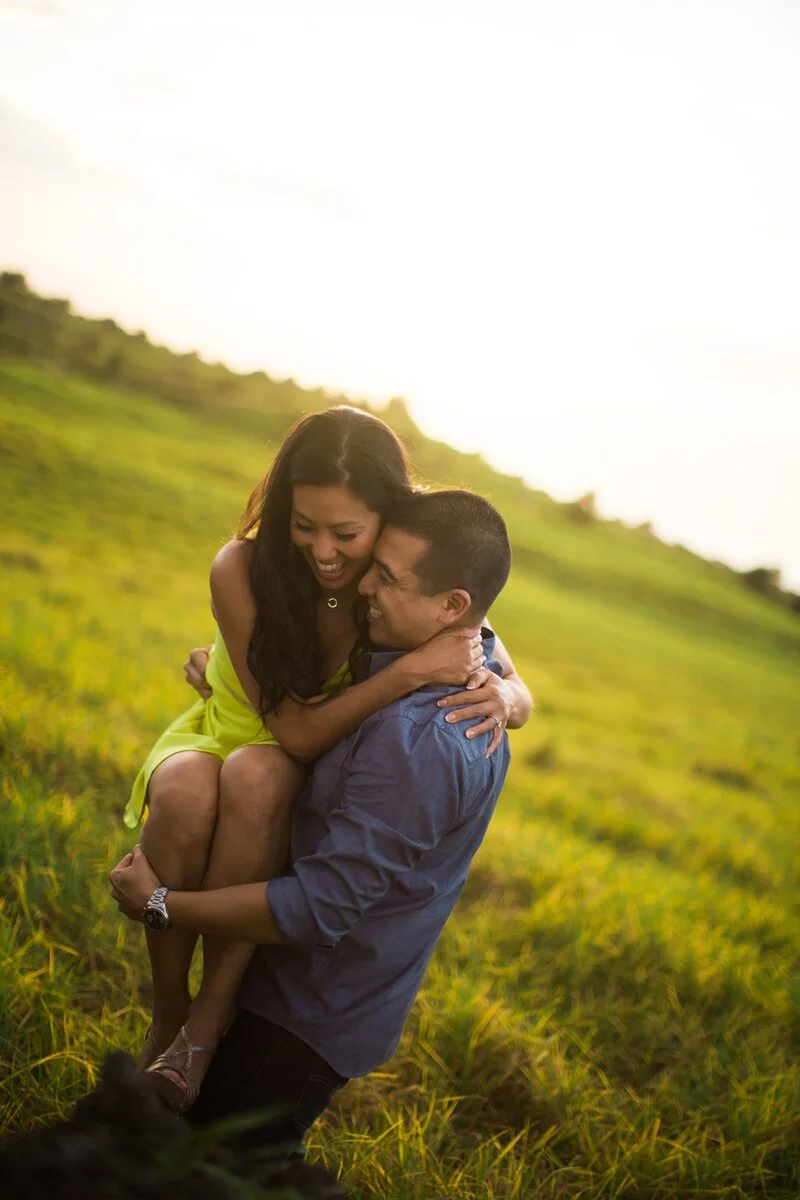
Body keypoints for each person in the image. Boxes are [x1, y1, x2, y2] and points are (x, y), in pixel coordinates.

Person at [124, 407, 532, 1112]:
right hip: (242, 725)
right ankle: (169, 1011)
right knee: (189, 789)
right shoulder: (246, 566)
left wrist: (510, 697)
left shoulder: (408, 576)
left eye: (346, 534)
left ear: (391, 520)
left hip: (279, 759)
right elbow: (296, 729)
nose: (323, 553)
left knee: (258, 775)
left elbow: (500, 663)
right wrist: (400, 675)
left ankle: (207, 1023)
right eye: (302, 526)